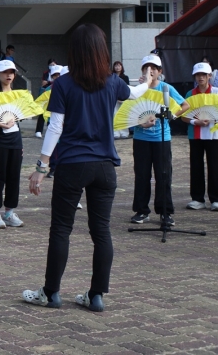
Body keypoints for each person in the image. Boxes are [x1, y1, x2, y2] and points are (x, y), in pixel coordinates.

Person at [24, 24, 150, 312]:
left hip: (72, 164)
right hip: (105, 166)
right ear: (101, 50)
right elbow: (134, 92)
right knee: (101, 231)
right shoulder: (113, 82)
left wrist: (42, 166)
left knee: (61, 229)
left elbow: (55, 127)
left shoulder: (63, 84)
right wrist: (150, 81)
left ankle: (51, 293)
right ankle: (96, 296)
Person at [130, 53, 188, 225]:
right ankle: (141, 211)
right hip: (141, 138)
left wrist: (172, 115)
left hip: (161, 138)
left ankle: (165, 212)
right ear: (143, 71)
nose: (151, 71)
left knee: (163, 175)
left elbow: (185, 105)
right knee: (142, 175)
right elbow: (130, 113)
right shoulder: (138, 90)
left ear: (160, 71)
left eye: (154, 68)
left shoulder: (166, 88)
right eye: (147, 68)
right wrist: (140, 123)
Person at [0, 60, 27, 228]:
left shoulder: (17, 95)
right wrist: (2, 124)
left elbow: (21, 114)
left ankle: (9, 212)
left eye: (11, 72)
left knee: (14, 177)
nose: (8, 75)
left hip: (15, 141)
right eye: (5, 72)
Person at [183, 62, 218, 211]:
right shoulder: (190, 94)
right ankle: (197, 199)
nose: (201, 77)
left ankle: (215, 199)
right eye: (198, 75)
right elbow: (183, 115)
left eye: (204, 74)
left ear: (209, 76)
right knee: (196, 166)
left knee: (215, 166)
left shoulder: (216, 92)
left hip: (214, 135)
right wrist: (194, 121)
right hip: (195, 135)